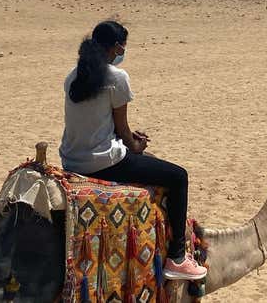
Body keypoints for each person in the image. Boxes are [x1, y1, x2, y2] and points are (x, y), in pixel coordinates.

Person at [59, 20, 207, 281]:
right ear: (117, 47)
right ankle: (177, 258)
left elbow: (96, 122)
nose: (122, 52)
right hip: (103, 162)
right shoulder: (117, 77)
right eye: (122, 48)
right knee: (178, 176)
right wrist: (136, 143)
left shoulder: (73, 76)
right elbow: (123, 130)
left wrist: (125, 136)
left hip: (72, 159)